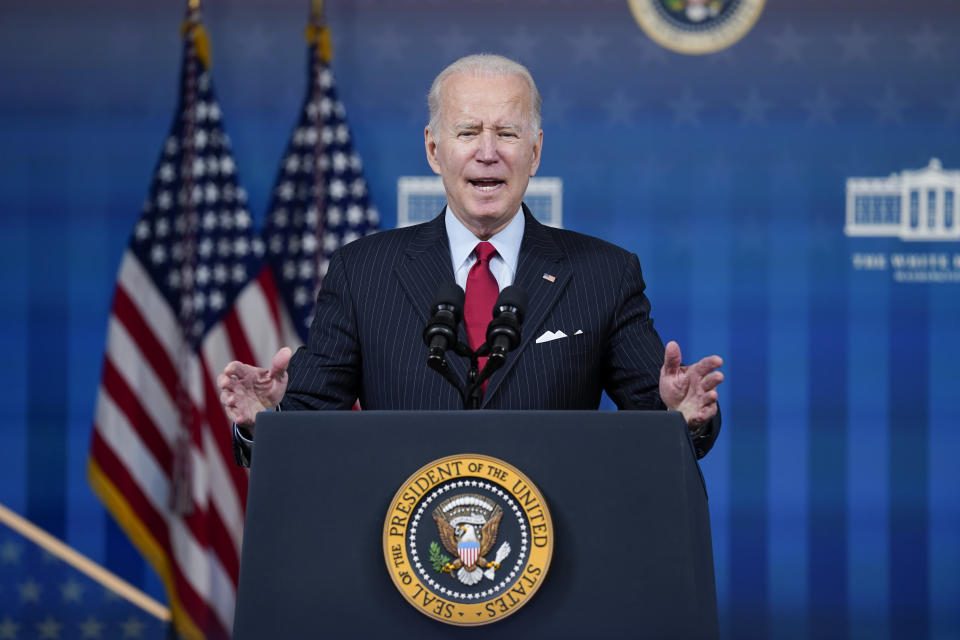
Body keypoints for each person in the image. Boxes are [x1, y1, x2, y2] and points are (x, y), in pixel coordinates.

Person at [219, 54, 724, 466]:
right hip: (403, 552)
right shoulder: (363, 271)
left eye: (507, 133)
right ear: (434, 150)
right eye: (468, 132)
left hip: (555, 553)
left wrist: (684, 414)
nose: (488, 152)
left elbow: (659, 420)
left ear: (535, 152)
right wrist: (267, 418)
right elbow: (306, 420)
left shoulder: (604, 274)